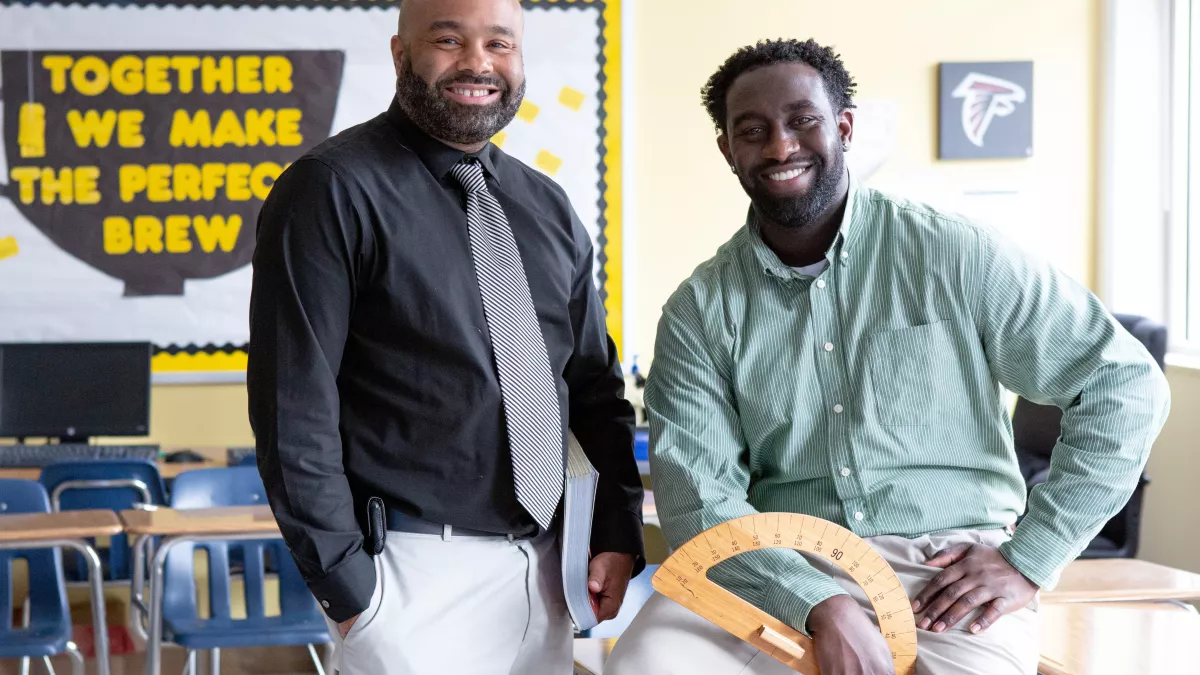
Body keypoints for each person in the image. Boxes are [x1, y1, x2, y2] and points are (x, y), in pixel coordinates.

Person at [604, 38, 1170, 675]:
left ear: (844, 126)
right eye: (753, 130)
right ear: (727, 149)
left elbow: (1122, 383)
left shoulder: (958, 254)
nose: (781, 146)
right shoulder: (700, 310)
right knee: (647, 664)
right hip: (770, 565)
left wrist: (1029, 558)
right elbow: (698, 501)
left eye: (803, 121)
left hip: (945, 571)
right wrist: (820, 602)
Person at [246, 0, 644, 673]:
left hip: (545, 572)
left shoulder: (548, 208)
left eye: (500, 43)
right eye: (449, 40)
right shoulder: (330, 190)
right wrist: (353, 593)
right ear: (401, 54)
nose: (478, 64)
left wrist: (614, 532)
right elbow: (294, 409)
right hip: (408, 577)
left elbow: (593, 391)